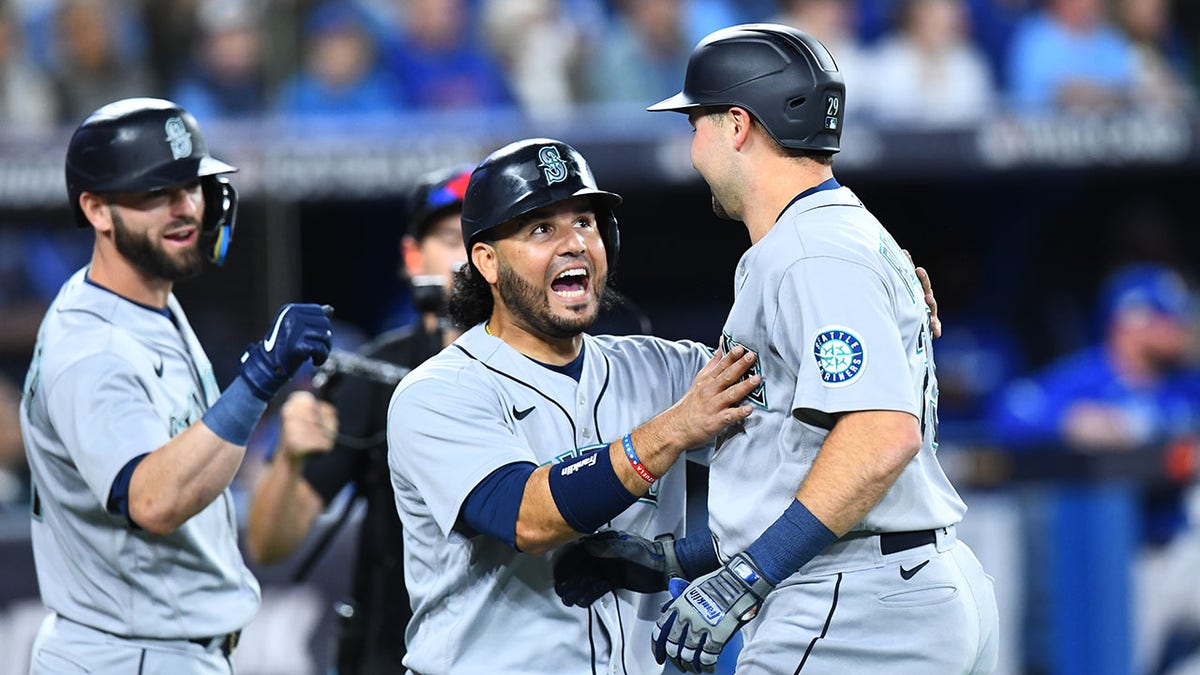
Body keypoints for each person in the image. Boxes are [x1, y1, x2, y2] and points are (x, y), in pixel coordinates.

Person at [558, 24, 999, 673]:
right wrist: (678, 560)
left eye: (697, 124)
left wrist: (746, 578)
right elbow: (794, 458)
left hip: (854, 602)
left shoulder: (810, 252)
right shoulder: (834, 235)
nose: (694, 148)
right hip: (895, 579)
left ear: (738, 125)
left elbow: (880, 435)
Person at [386, 137, 763, 674]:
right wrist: (673, 430)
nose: (574, 244)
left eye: (585, 222)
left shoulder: (666, 370)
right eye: (542, 228)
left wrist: (879, 301)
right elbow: (526, 517)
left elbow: (806, 416)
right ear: (487, 262)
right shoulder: (437, 392)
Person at [20, 97, 332, 673]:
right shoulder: (92, 348)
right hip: (128, 655)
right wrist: (259, 379)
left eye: (191, 188)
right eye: (155, 194)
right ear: (97, 210)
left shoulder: (145, 298)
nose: (185, 208)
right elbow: (153, 500)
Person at [245, 164, 472, 674]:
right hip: (394, 653)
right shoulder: (375, 375)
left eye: (480, 237)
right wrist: (288, 457)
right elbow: (269, 544)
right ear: (414, 258)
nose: (466, 257)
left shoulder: (551, 367)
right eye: (448, 239)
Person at [991, 263, 1200, 675]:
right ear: (1133, 321)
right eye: (1168, 317)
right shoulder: (1085, 378)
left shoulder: (1183, 384)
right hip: (1123, 563)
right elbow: (1007, 414)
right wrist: (1069, 421)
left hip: (1181, 549)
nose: (1180, 327)